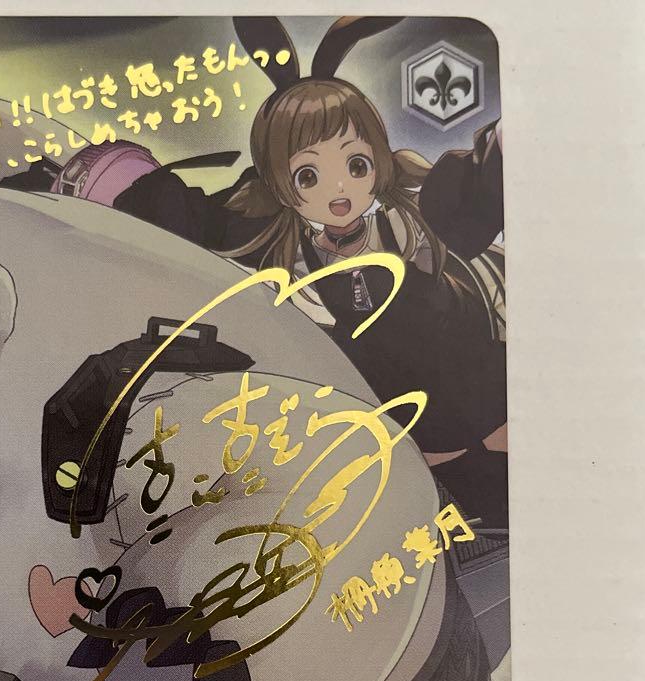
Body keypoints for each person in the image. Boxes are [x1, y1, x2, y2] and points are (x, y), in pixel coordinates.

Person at [92, 18, 508, 528]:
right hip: (407, 440)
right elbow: (194, 221)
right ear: (281, 185)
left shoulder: (410, 219)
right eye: (309, 175)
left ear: (378, 160)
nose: (339, 190)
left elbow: (466, 194)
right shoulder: (282, 245)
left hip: (472, 387)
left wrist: (500, 152)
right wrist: (116, 181)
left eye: (356, 165)